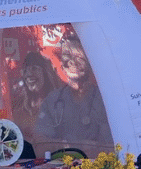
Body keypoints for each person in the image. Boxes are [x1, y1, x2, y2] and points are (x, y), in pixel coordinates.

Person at [36, 26, 113, 157]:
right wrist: (72, 147)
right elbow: (40, 147)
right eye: (67, 56)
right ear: (61, 65)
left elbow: (116, 146)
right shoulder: (52, 100)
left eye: (78, 56)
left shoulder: (106, 99)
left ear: (90, 62)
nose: (72, 62)